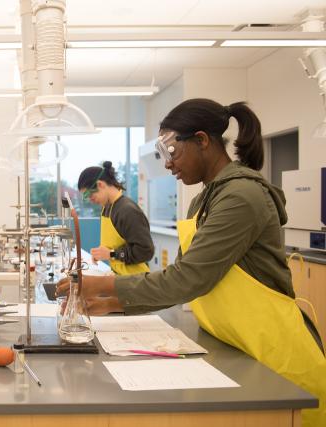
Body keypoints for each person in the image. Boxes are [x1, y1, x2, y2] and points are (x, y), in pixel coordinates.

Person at [57, 98, 325, 426]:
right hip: (235, 345)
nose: (168, 164)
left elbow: (188, 279)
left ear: (201, 140)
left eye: (172, 151)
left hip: (276, 358)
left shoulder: (241, 196)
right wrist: (111, 304)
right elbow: (180, 280)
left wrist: (99, 284)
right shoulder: (205, 198)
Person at [78, 161, 154, 275]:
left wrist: (111, 254)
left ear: (100, 185)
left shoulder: (127, 210)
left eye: (89, 195)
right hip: (120, 276)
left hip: (137, 282)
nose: (90, 199)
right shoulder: (107, 208)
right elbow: (117, 244)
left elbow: (146, 251)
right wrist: (102, 252)